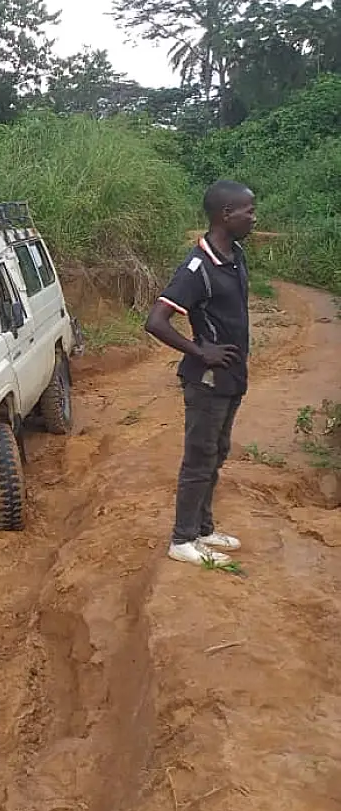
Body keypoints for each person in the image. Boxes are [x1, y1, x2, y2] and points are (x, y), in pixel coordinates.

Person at [145, 180, 257, 567]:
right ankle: (182, 540)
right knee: (199, 458)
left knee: (217, 453)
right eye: (248, 211)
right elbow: (156, 321)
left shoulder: (236, 254)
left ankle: (204, 529)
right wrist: (200, 351)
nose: (253, 218)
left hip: (231, 379)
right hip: (206, 383)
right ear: (226, 214)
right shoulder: (197, 268)